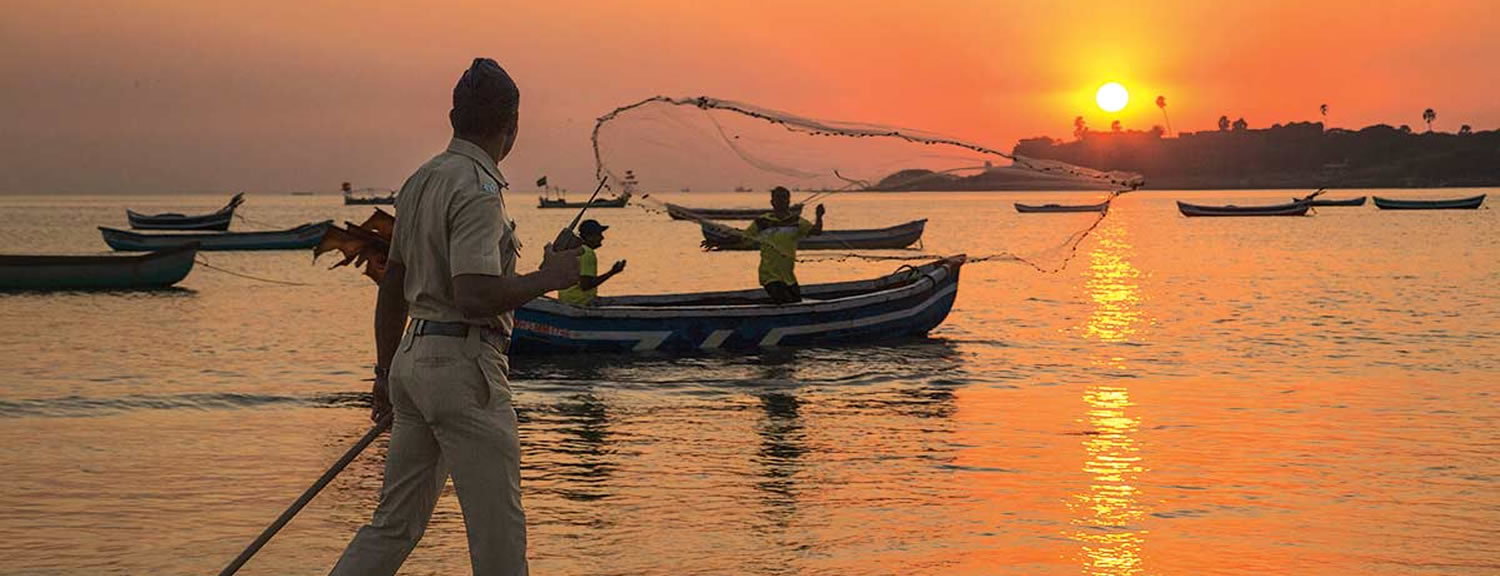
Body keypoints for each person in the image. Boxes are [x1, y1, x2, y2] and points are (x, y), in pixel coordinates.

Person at [329, 57, 580, 576]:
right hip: (464, 371)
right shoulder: (479, 191)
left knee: (392, 527)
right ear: (512, 127)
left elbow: (393, 287)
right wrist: (549, 277)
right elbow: (474, 295)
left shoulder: (421, 180)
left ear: (453, 117)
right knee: (499, 541)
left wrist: (383, 373)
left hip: (413, 363)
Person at [744, 186, 824, 303]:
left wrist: (819, 216)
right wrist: (719, 243)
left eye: (784, 198)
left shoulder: (795, 221)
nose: (781, 201)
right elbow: (743, 239)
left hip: (789, 278)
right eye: (778, 198)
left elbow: (816, 231)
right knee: (786, 302)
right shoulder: (762, 222)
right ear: (772, 202)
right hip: (769, 276)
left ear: (789, 201)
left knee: (797, 303)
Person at [556, 219, 626, 306]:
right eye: (598, 235)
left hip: (565, 300)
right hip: (579, 302)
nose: (602, 238)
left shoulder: (573, 250)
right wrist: (612, 272)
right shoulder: (587, 253)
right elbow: (586, 285)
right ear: (589, 237)